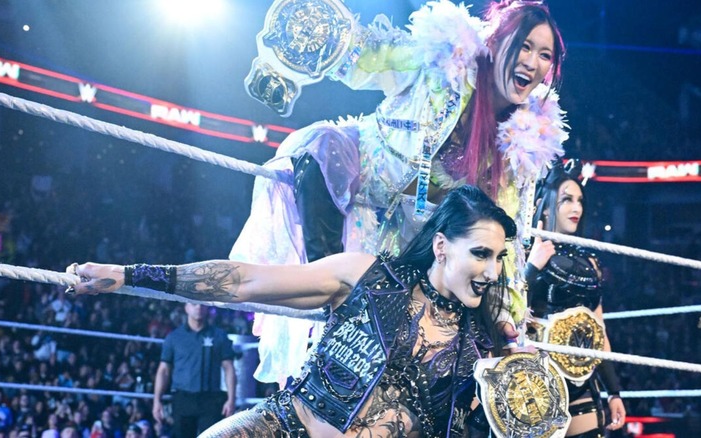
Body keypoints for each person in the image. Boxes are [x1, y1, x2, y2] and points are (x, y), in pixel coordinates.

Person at [236, 0, 569, 384]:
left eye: (544, 55)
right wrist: (280, 65)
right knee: (319, 145)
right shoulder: (446, 60)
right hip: (365, 171)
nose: (532, 61)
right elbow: (367, 54)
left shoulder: (523, 141)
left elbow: (504, 234)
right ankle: (328, 299)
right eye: (524, 46)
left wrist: (506, 315)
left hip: (417, 234)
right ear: (497, 41)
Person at [69, 185, 565, 437]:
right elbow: (242, 281)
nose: (493, 271)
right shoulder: (369, 276)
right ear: (440, 246)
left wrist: (517, 389)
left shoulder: (480, 351)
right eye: (481, 253)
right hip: (282, 428)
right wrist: (131, 276)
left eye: (499, 258)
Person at [525, 161, 626, 437]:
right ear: (546, 207)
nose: (576, 209)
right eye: (567, 200)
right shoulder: (529, 252)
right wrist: (531, 267)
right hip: (540, 377)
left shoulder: (590, 261)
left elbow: (599, 332)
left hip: (585, 380)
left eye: (580, 201)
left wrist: (614, 391)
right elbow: (507, 311)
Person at [152, 303, 236, 437]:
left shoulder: (219, 336)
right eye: (194, 304)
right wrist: (157, 400)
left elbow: (229, 368)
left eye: (202, 305)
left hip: (211, 398)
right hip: (183, 397)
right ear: (186, 307)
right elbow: (163, 370)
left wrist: (231, 399)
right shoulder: (174, 337)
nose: (198, 307)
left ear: (207, 308)